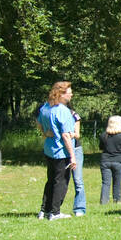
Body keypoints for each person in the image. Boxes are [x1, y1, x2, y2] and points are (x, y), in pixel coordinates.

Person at [37, 81, 77, 220]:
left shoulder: (46, 107)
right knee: (61, 182)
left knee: (51, 180)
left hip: (49, 150)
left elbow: (39, 123)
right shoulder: (63, 111)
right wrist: (72, 156)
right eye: (69, 92)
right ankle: (55, 212)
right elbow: (65, 135)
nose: (71, 94)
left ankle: (44, 210)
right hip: (61, 152)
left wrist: (45, 133)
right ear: (61, 93)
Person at [97, 116, 121, 205]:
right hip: (118, 161)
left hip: (105, 161)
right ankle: (117, 200)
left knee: (106, 183)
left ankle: (104, 201)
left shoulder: (103, 135)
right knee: (117, 182)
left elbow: (101, 147)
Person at [68, 107, 87, 216]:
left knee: (78, 180)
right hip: (61, 150)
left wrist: (70, 134)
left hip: (75, 149)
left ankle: (79, 208)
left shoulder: (74, 115)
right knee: (61, 180)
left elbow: (77, 134)